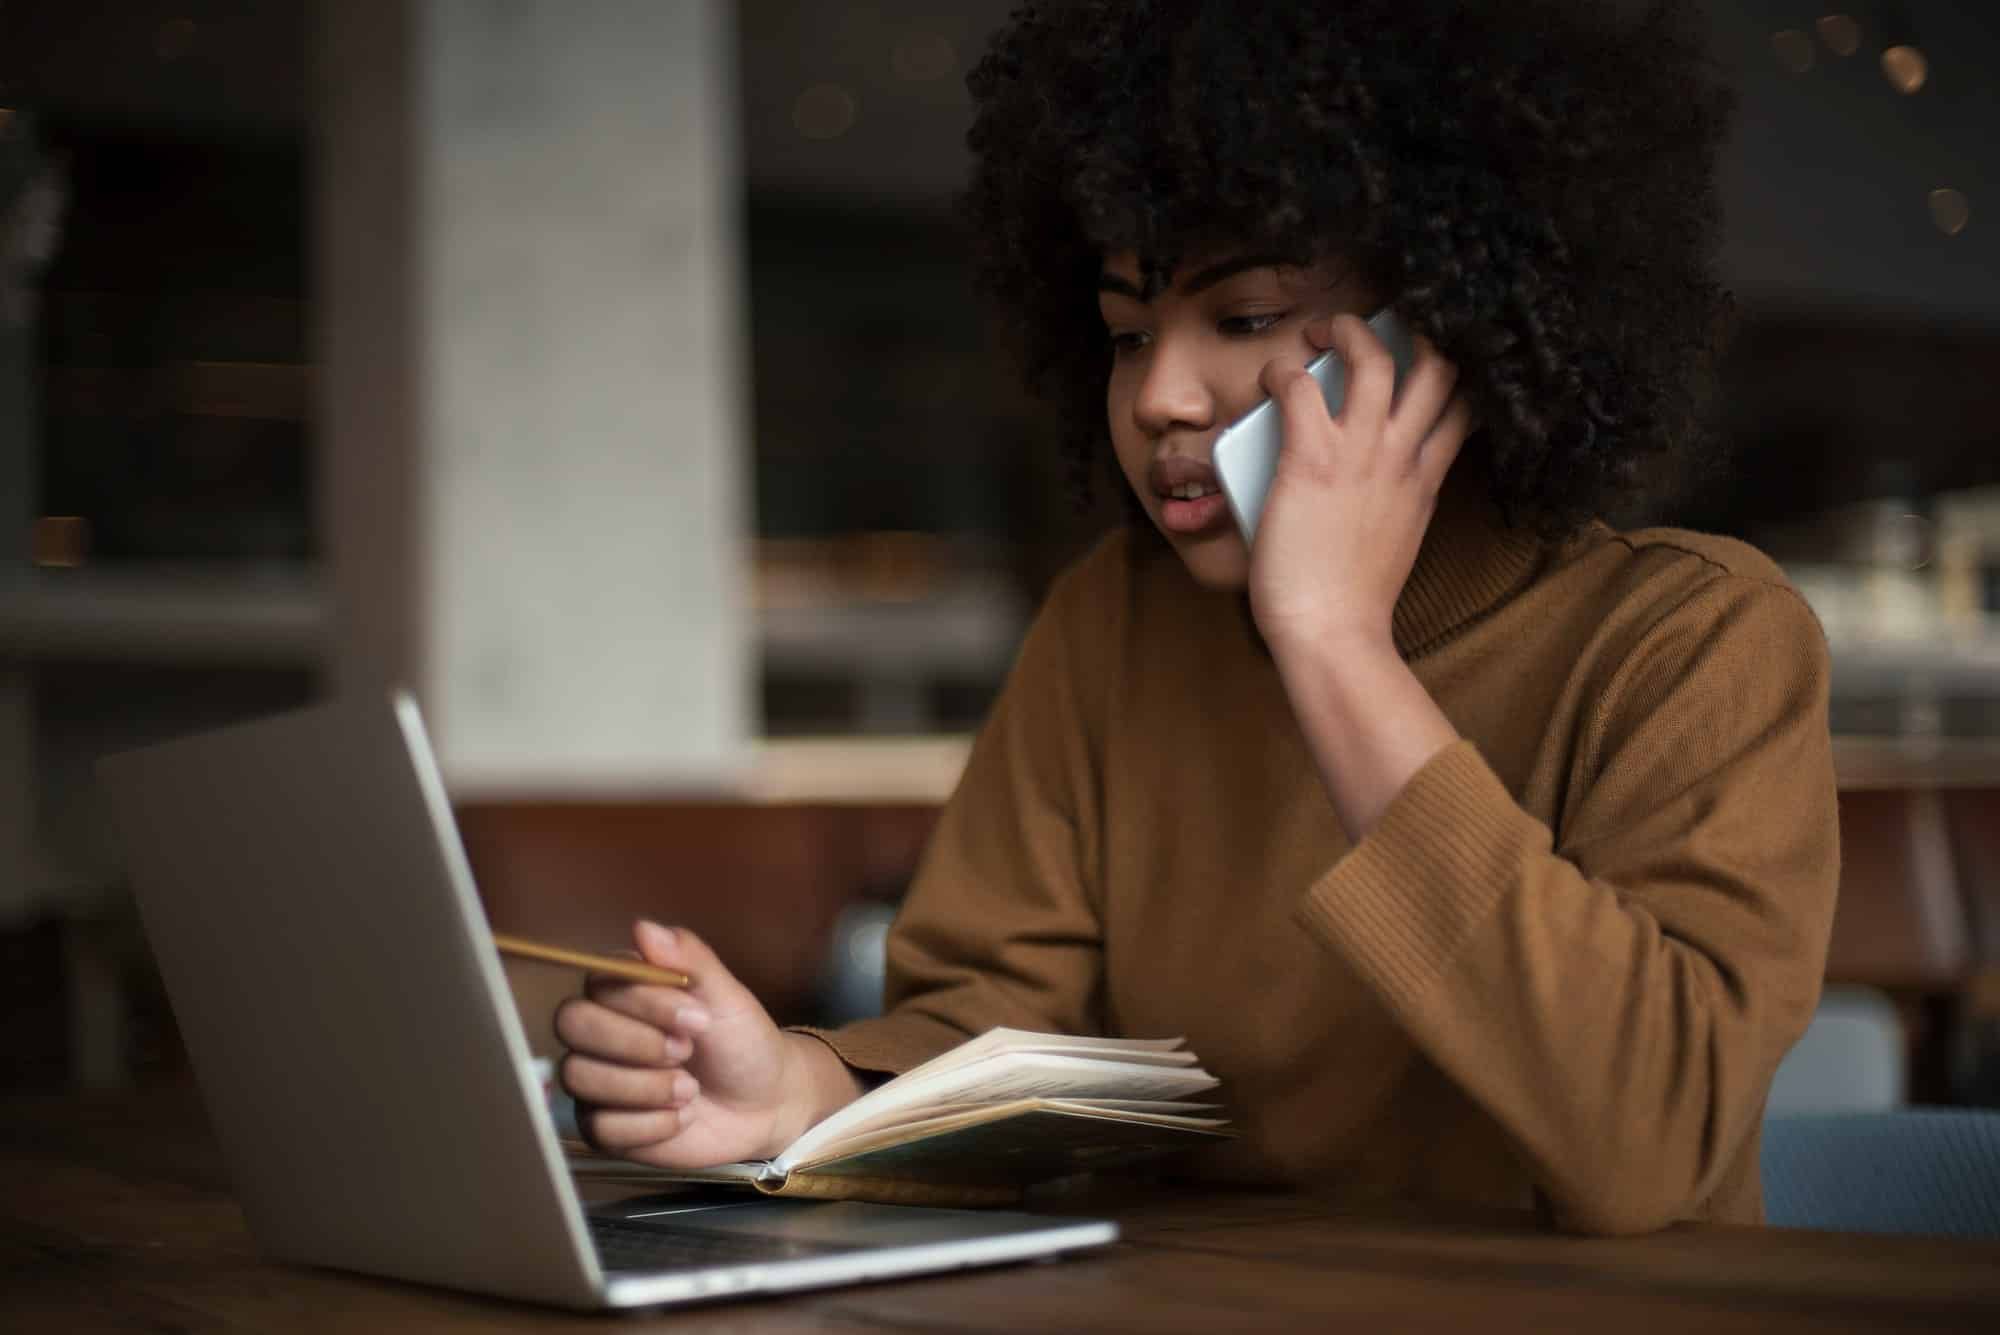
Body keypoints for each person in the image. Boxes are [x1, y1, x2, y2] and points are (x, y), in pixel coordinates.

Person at [554, 0, 1839, 1235]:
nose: (1161, 394)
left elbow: (1650, 1146)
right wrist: (803, 1093)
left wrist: (1334, 643)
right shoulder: (1108, 627)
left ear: (1459, 318)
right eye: (1122, 333)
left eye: (1244, 318)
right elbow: (992, 1039)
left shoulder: (1692, 640)